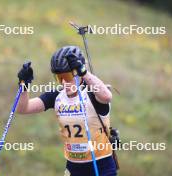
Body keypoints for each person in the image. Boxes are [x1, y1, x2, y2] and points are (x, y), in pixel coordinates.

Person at [16, 46, 117, 176]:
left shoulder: (93, 93)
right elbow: (23, 109)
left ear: (78, 73)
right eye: (59, 78)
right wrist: (23, 87)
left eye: (67, 76)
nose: (64, 83)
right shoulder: (57, 95)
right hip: (73, 166)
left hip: (101, 165)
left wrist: (84, 72)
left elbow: (107, 96)